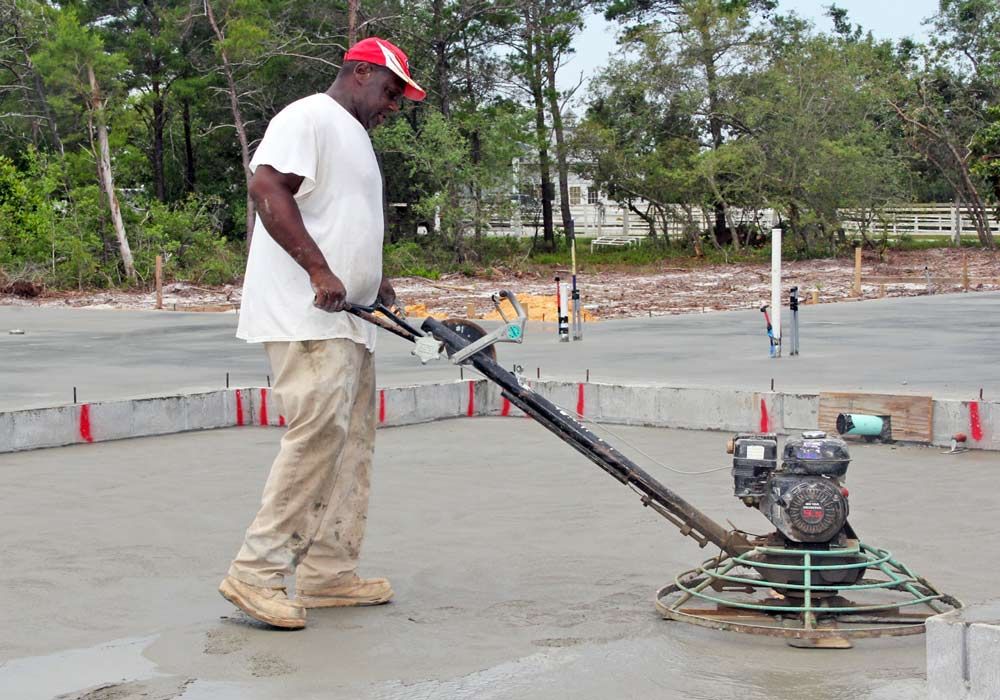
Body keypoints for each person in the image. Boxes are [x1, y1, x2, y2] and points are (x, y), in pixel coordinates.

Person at [219, 37, 426, 629]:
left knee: (351, 443)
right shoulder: (308, 116)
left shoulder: (354, 136)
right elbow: (267, 188)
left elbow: (342, 218)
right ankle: (255, 572)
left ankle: (329, 573)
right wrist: (318, 268)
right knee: (317, 437)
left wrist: (373, 279)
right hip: (305, 317)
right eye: (390, 91)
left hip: (350, 323)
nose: (393, 105)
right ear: (359, 72)